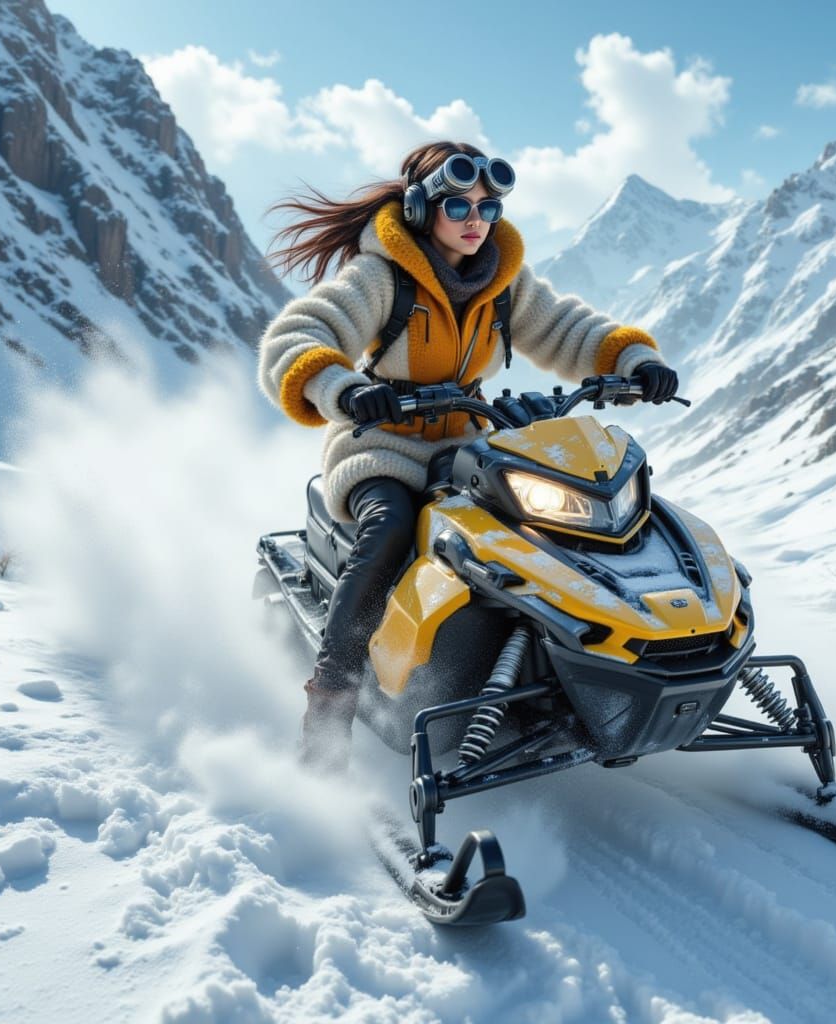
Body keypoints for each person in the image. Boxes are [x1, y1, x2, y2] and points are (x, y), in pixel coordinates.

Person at [258, 141, 679, 772]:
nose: (475, 217)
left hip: (470, 448)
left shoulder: (502, 280)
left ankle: (577, 674)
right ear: (425, 208)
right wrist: (345, 389)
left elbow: (565, 328)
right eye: (458, 203)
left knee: (551, 533)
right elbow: (298, 337)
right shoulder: (380, 278)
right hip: (382, 445)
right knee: (390, 532)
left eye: (486, 205)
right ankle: (329, 710)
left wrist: (630, 360)